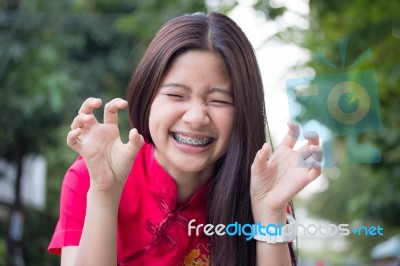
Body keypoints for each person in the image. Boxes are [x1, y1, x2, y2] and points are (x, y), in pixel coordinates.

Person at [48, 12, 322, 266]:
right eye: (176, 95)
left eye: (219, 100)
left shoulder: (262, 189)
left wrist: (270, 213)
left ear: (243, 113)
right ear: (147, 97)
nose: (196, 117)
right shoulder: (91, 178)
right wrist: (105, 192)